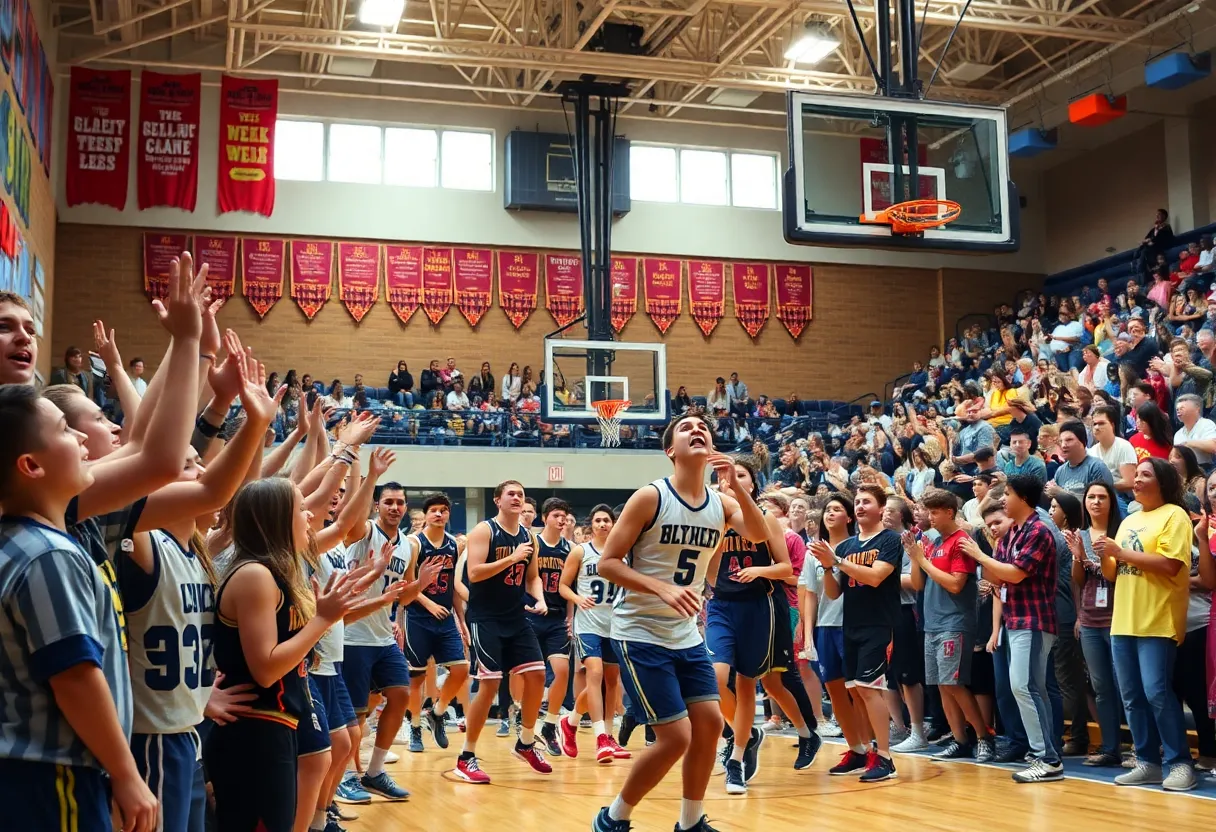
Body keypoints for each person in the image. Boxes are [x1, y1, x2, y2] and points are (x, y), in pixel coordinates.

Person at [592, 411, 769, 832]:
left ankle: (690, 822)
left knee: (708, 725)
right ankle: (613, 817)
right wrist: (662, 587)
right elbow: (607, 563)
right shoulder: (650, 497)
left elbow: (760, 534)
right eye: (686, 428)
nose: (698, 430)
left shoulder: (722, 504)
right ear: (671, 450)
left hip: (685, 634)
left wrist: (737, 490)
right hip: (639, 631)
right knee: (676, 737)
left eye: (703, 427)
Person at [0, 385, 159, 832]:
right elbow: (74, 677)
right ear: (31, 465)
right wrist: (127, 774)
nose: (84, 438)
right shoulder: (49, 554)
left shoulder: (13, 543)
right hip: (53, 778)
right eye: (66, 429)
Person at [206, 478, 374, 832]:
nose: (310, 515)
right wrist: (322, 620)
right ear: (277, 517)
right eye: (300, 508)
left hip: (275, 725)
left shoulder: (276, 574)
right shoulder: (254, 575)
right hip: (253, 732)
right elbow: (266, 668)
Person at [705, 458, 819, 795]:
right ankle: (747, 735)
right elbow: (708, 568)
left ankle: (737, 759)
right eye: (725, 476)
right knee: (713, 678)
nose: (730, 480)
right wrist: (712, 586)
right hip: (723, 606)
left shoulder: (766, 519)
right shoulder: (713, 519)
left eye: (740, 476)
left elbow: (787, 569)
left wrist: (759, 572)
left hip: (761, 606)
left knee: (756, 685)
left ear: (752, 484)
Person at [1096, 458, 1197, 791]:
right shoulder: (1128, 520)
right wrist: (1104, 554)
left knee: (1157, 693)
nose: (1135, 480)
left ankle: (1180, 763)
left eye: (1144, 475)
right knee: (1132, 697)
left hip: (1158, 619)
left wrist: (1119, 552)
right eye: (1135, 475)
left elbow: (1170, 565)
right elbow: (1112, 574)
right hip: (1124, 620)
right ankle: (1148, 761)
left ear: (1163, 482)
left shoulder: (1175, 515)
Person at [960, 474, 1062, 783]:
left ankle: (1048, 759)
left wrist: (979, 555)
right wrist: (989, 567)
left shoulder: (1039, 532)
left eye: (1008, 493)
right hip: (1015, 620)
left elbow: (1015, 575)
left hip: (1034, 619)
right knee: (1026, 687)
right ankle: (1043, 755)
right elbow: (999, 579)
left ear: (1024, 498)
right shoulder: (1011, 534)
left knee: (1026, 686)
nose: (1003, 499)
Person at [457, 480, 551, 783]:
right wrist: (511, 558)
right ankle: (466, 756)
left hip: (516, 616)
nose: (517, 498)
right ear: (498, 500)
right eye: (511, 493)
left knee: (537, 675)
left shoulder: (528, 537)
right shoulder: (484, 530)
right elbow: (474, 573)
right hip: (485, 618)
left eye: (521, 494)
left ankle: (525, 742)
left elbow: (533, 577)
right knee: (489, 684)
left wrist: (540, 597)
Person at [809, 484, 904, 783]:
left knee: (869, 688)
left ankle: (885, 757)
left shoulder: (890, 540)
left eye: (867, 502)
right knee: (856, 690)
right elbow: (835, 593)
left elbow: (876, 577)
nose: (861, 506)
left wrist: (836, 561)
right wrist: (827, 567)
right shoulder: (847, 547)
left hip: (879, 623)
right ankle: (862, 753)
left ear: (880, 509)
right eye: (858, 502)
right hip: (850, 624)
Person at [903, 489, 995, 762]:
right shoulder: (931, 543)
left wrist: (921, 560)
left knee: (953, 683)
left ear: (949, 512)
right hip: (931, 622)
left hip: (955, 621)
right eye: (927, 512)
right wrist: (915, 556)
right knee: (942, 686)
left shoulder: (961, 541)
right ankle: (960, 740)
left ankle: (984, 737)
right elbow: (918, 585)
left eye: (933, 512)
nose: (928, 518)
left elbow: (956, 584)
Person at [340, 482, 418, 800]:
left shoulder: (409, 546)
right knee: (356, 715)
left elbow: (406, 595)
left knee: (400, 695)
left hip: (383, 636)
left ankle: (374, 772)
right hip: (352, 635)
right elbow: (350, 516)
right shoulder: (363, 531)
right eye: (388, 501)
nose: (395, 507)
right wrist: (370, 475)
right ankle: (345, 776)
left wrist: (420, 584)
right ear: (376, 506)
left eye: (400, 502)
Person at [558, 505, 630, 762]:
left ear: (613, 524)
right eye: (598, 520)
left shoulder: (623, 553)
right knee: (595, 674)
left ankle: (577, 723)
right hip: (588, 623)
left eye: (606, 520)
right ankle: (600, 737)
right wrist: (577, 599)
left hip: (615, 624)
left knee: (612, 681)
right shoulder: (581, 551)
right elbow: (562, 586)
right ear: (592, 525)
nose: (602, 524)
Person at [403, 493, 470, 753]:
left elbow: (453, 588)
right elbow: (408, 585)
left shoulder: (454, 545)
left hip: (445, 620)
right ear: (426, 515)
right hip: (418, 617)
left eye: (444, 510)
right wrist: (429, 603)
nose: (439, 514)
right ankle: (415, 727)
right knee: (416, 678)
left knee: (461, 670)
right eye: (434, 510)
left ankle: (438, 712)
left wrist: (461, 621)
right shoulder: (414, 543)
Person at [1064, 481, 1124, 767]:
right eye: (1091, 497)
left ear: (1111, 501)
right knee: (1100, 686)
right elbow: (1078, 580)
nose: (1096, 502)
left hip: (1120, 618)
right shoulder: (1081, 534)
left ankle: (1143, 746)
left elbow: (1116, 576)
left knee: (1126, 685)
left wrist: (1092, 557)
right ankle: (1111, 748)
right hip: (1089, 619)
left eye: (1102, 497)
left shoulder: (1121, 531)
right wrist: (1078, 556)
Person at [530, 498, 574, 758]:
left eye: (565, 516)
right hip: (532, 616)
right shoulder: (533, 543)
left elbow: (570, 587)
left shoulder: (570, 549)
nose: (562, 520)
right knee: (532, 674)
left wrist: (570, 618)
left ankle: (549, 725)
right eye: (557, 515)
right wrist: (536, 600)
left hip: (557, 618)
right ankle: (522, 719)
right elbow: (528, 579)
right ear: (545, 517)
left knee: (562, 671)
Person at [1049, 420, 1113, 500]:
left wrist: (1062, 493)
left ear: (1082, 442)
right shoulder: (1060, 471)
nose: (1063, 445)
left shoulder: (1096, 467)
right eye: (1061, 441)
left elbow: (1100, 502)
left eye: (1069, 440)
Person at [1089, 404, 1137, 504]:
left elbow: (1129, 481)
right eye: (1094, 424)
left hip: (1122, 499)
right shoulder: (1092, 451)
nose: (1097, 427)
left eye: (1101, 423)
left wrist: (1103, 487)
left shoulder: (1124, 447)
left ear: (1112, 425)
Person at [1173, 393, 1216, 467]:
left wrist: (1188, 443)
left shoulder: (1206, 424)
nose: (1178, 411)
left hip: (1204, 468)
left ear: (1197, 409)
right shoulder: (1178, 434)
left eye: (1182, 408)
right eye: (1177, 409)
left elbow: (1213, 446)